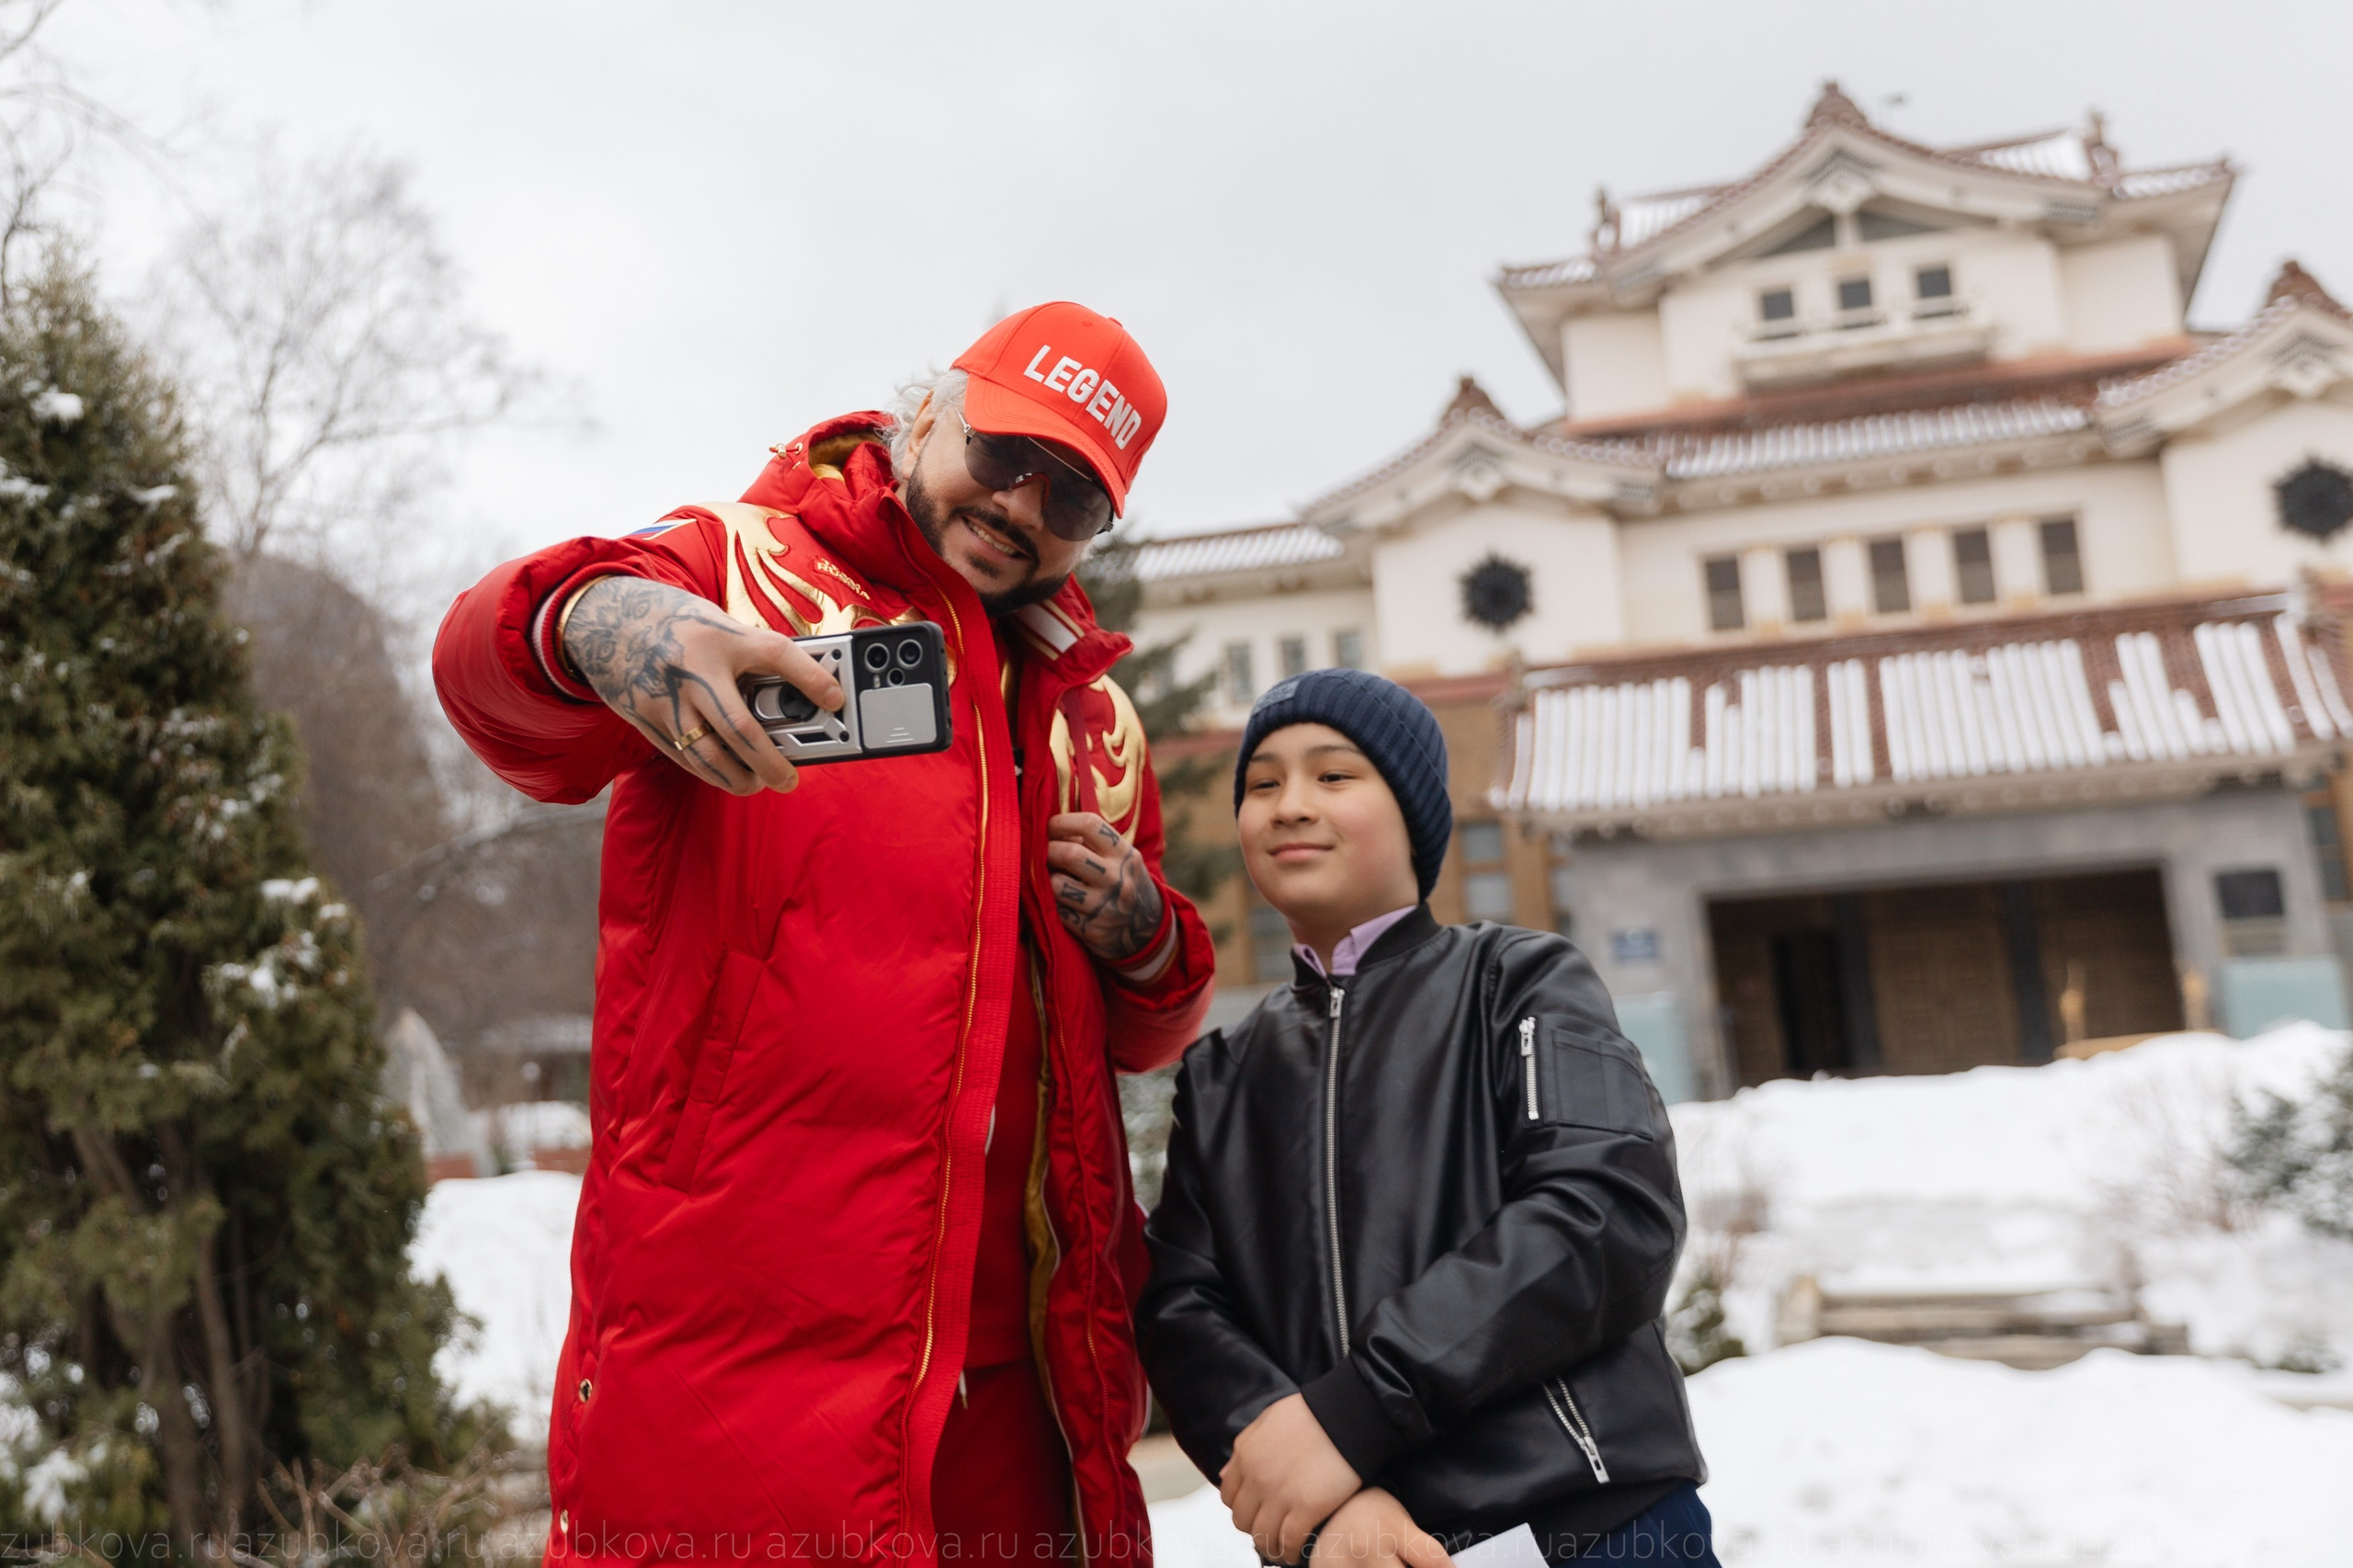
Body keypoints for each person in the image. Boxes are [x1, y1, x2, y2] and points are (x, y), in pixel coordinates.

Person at [433, 302, 1214, 1566]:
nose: (1020, 505)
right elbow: (488, 675)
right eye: (1004, 453)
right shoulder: (734, 568)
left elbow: (1147, 1029)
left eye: (1069, 498)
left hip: (1030, 1393)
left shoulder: (1096, 725)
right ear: (924, 414)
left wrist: (1144, 937)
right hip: (738, 1368)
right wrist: (605, 626)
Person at [1138, 669, 1717, 1567]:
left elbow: (1606, 1212)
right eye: (1262, 783)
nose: (1290, 804)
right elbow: (1181, 1309)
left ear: (1412, 810)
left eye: (1334, 775)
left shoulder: (1517, 981)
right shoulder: (1221, 1070)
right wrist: (1328, 1504)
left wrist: (1350, 1415)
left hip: (1582, 1531)